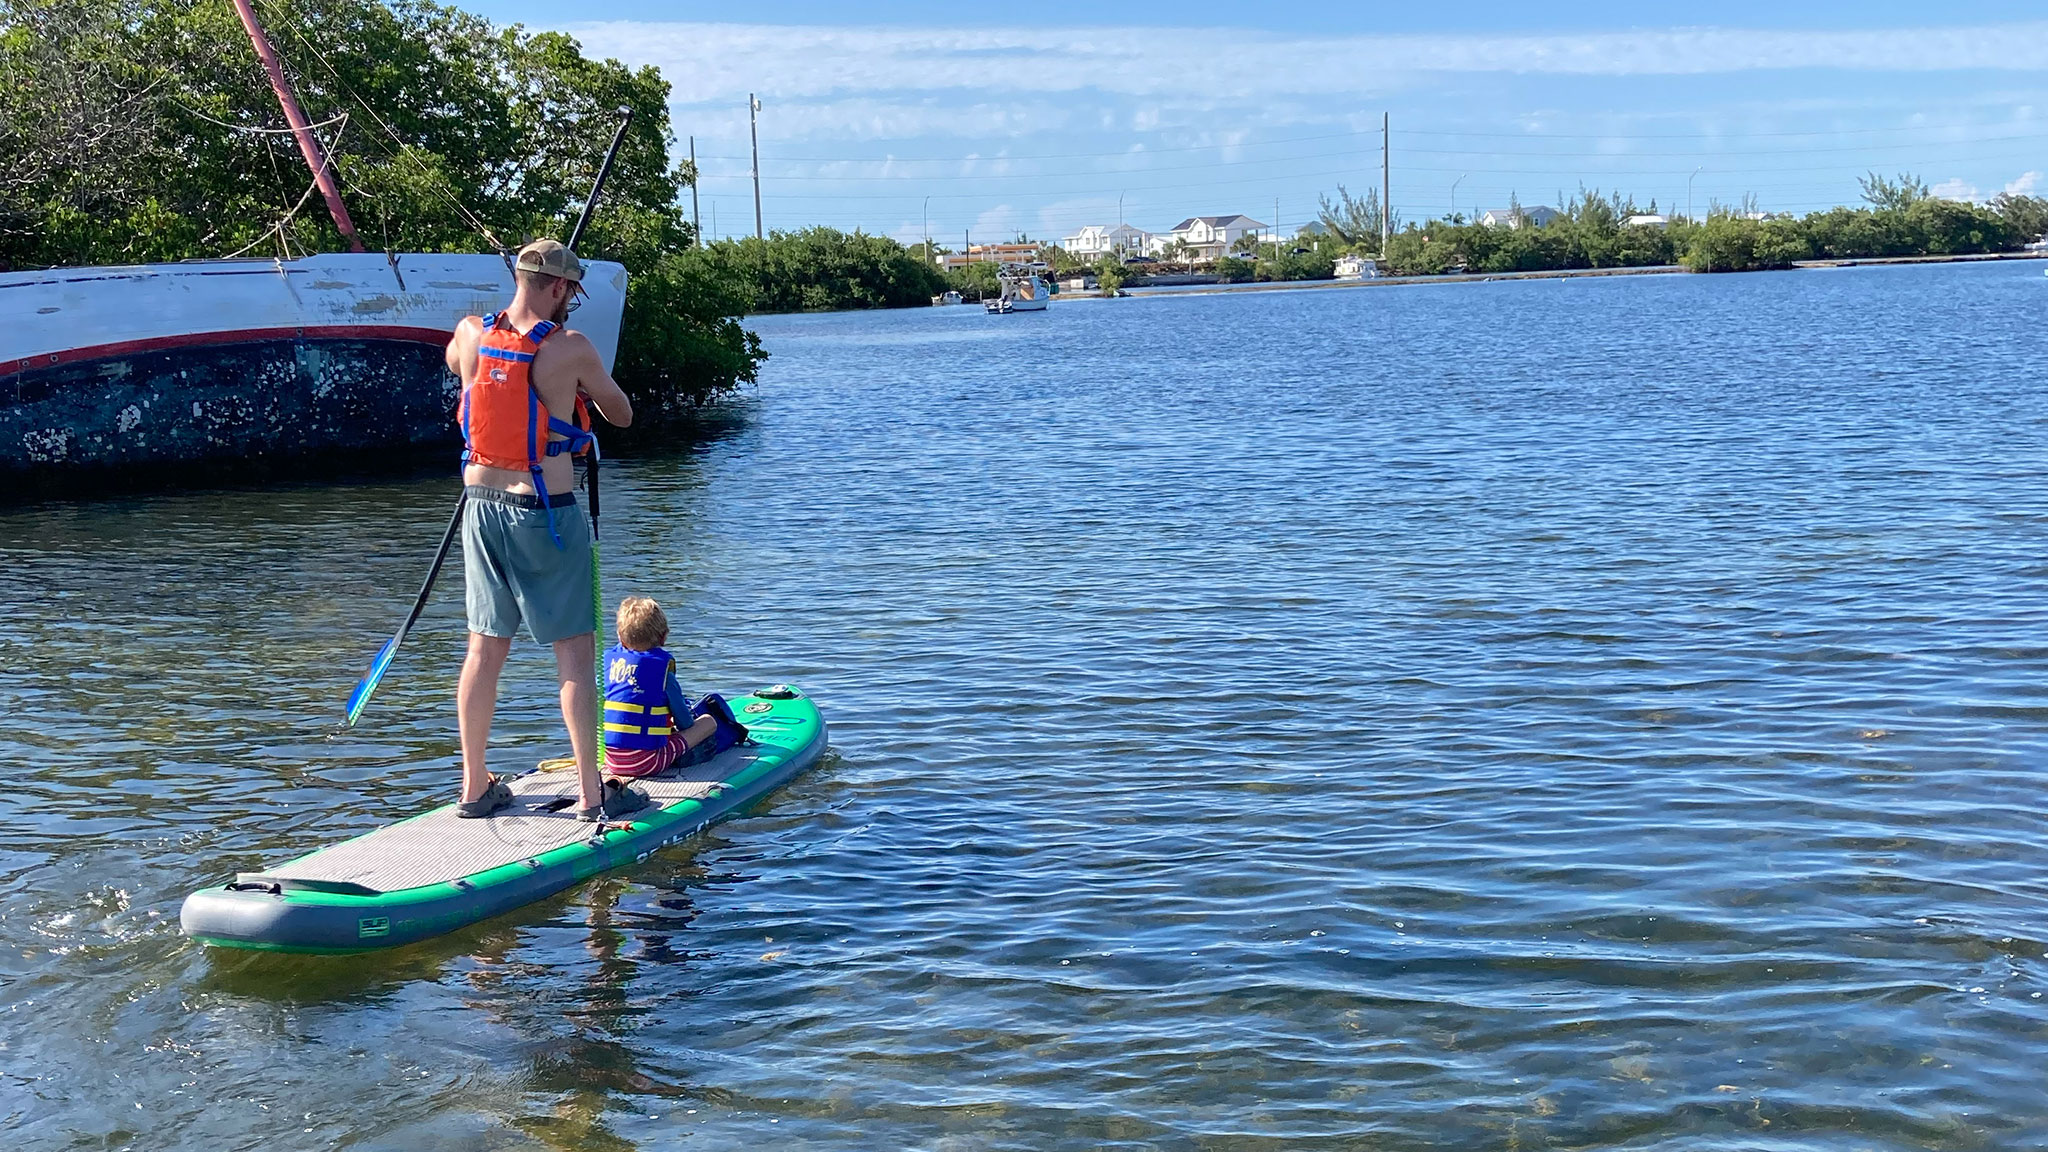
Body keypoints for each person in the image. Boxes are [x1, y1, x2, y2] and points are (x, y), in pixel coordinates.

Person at [445, 238, 641, 822]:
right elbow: (622, 414)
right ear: (558, 287)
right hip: (544, 511)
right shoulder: (571, 347)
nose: (569, 303)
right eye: (570, 293)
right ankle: (592, 793)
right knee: (575, 653)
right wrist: (575, 386)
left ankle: (474, 787)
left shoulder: (470, 333)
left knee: (484, 648)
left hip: (478, 506)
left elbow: (457, 365)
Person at [601, 596, 748, 777]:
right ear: (664, 637)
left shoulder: (609, 667)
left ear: (620, 638)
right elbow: (685, 723)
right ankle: (684, 756)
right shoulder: (662, 672)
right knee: (708, 722)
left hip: (611, 759)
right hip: (647, 762)